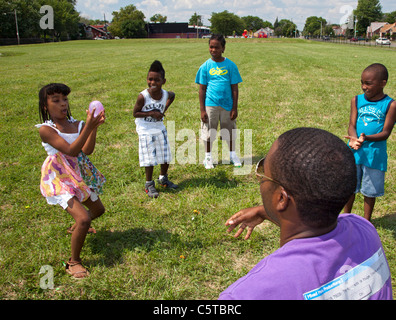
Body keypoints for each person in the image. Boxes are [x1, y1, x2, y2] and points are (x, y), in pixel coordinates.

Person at [219, 127, 392, 300]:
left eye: (263, 172)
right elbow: (315, 220)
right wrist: (266, 212)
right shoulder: (364, 228)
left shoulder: (246, 295)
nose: (261, 177)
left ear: (281, 198)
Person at [36, 83, 106, 279]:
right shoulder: (46, 130)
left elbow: (87, 150)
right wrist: (89, 126)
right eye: (55, 100)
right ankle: (73, 262)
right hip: (59, 177)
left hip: (78, 175)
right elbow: (71, 150)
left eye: (64, 99)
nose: (62, 104)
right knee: (84, 218)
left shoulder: (78, 124)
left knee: (98, 210)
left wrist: (93, 128)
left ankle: (77, 227)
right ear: (45, 106)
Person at [344, 63, 396, 221]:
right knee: (349, 187)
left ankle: (367, 221)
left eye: (368, 83)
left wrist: (365, 138)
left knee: (370, 190)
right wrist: (354, 138)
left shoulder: (391, 105)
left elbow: (385, 133)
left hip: (374, 155)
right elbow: (352, 125)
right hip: (355, 152)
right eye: (362, 82)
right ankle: (346, 216)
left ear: (383, 83)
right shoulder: (356, 100)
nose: (363, 87)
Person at [195, 34, 243, 169]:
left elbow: (234, 88)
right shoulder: (205, 66)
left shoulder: (231, 65)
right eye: (211, 47)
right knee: (209, 132)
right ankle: (208, 157)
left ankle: (232, 155)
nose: (213, 50)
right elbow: (202, 89)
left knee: (229, 131)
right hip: (211, 104)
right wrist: (202, 109)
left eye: (217, 47)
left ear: (223, 48)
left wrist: (234, 107)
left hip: (227, 105)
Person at [133, 60, 177, 198]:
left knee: (165, 155)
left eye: (156, 80)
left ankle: (163, 178)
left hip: (159, 128)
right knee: (150, 158)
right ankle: (149, 184)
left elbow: (173, 95)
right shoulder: (143, 96)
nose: (152, 83)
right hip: (145, 130)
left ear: (163, 81)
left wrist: (164, 109)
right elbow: (135, 113)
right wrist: (152, 113)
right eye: (150, 79)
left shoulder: (165, 94)